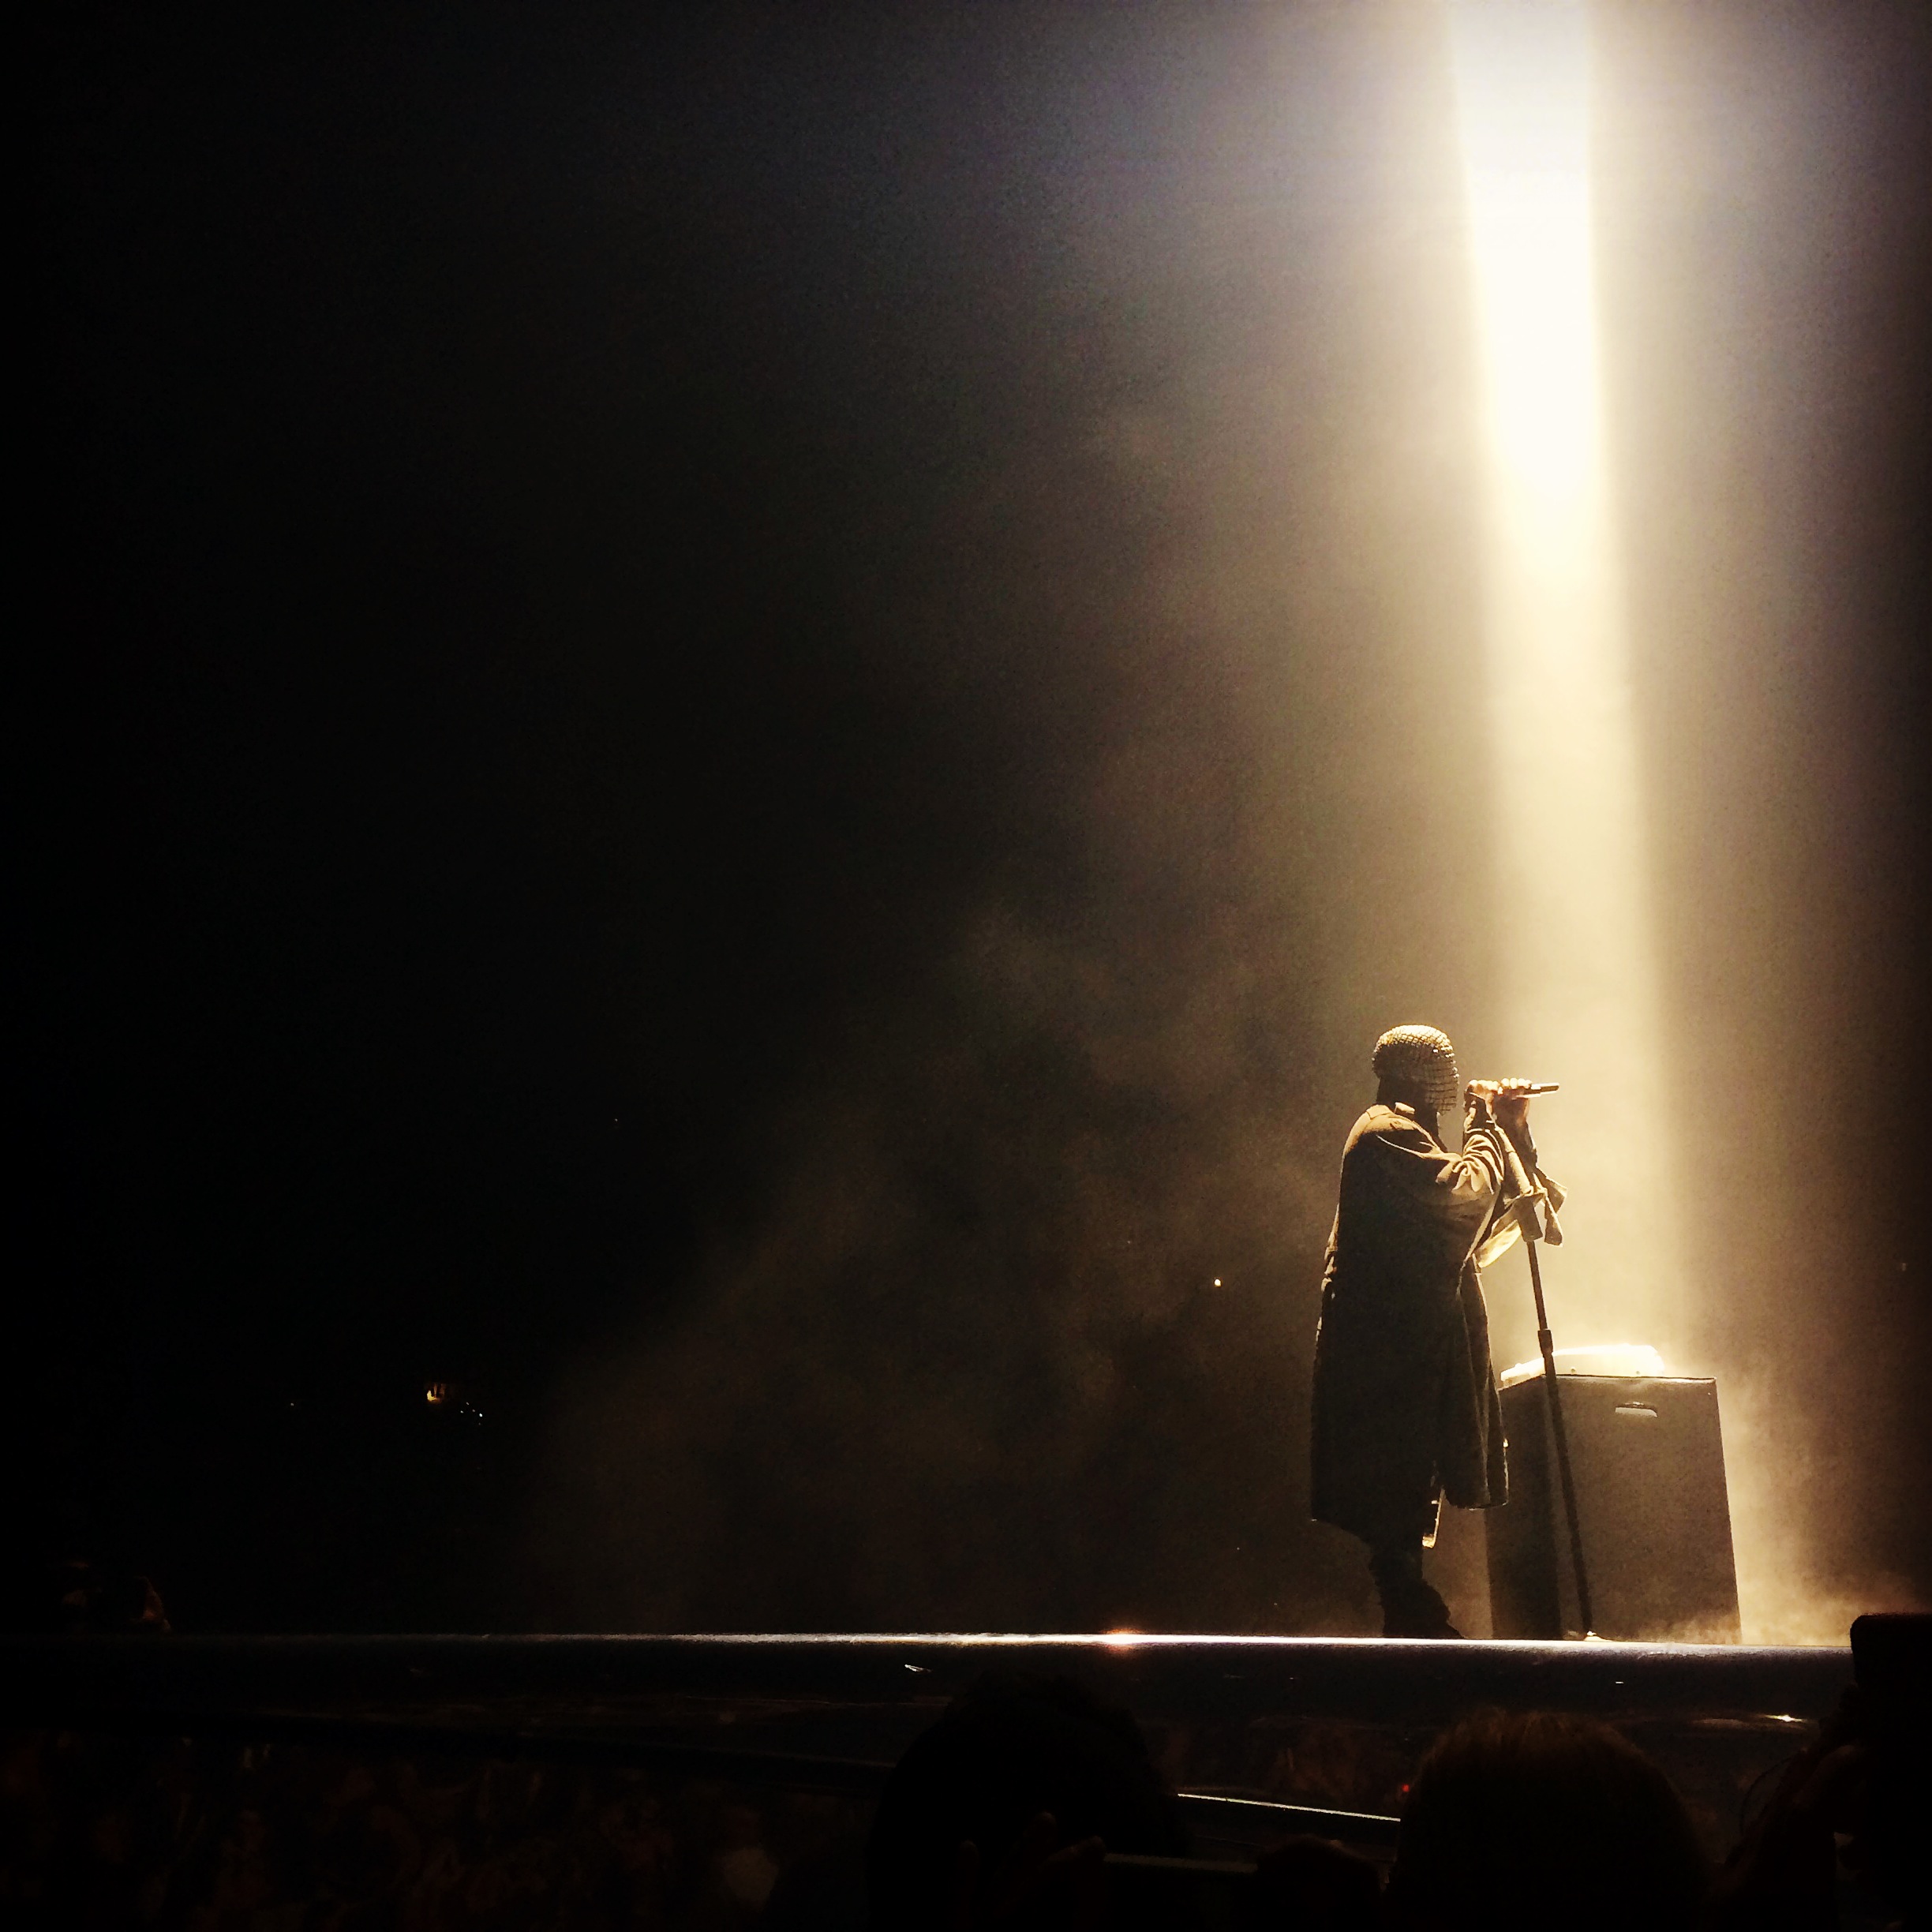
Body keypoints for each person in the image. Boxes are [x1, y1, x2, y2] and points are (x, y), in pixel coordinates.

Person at [1309, 1024, 1543, 1638]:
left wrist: (1511, 1130)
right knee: (1394, 1481)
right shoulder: (1386, 1134)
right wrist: (1486, 1130)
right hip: (1385, 1356)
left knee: (1406, 1483)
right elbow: (1462, 1195)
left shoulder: (1404, 1135)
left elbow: (1478, 1231)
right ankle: (1411, 1615)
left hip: (1403, 1350)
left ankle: (1411, 1611)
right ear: (1430, 1080)